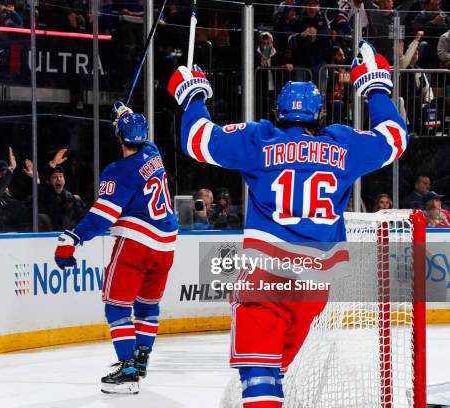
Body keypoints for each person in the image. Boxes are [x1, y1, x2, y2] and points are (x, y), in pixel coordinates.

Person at [168, 40, 407, 407]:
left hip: (266, 275)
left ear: (279, 111)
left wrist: (193, 93)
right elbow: (395, 137)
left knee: (260, 376)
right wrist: (375, 87)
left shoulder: (260, 139)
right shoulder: (342, 145)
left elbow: (196, 139)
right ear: (320, 113)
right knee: (275, 371)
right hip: (315, 286)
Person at [54, 102, 178, 395]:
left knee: (117, 306)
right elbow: (140, 138)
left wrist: (73, 238)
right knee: (147, 305)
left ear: (119, 138)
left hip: (137, 244)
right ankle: (142, 358)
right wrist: (125, 117)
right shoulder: (154, 154)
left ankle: (128, 370)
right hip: (167, 246)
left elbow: (102, 216)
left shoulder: (117, 171)